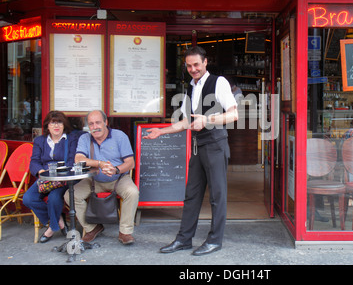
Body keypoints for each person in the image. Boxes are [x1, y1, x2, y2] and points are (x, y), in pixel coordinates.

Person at [143, 46, 238, 256]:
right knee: (192, 195)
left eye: (196, 64)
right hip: (198, 146)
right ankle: (184, 239)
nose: (193, 68)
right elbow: (188, 121)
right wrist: (162, 132)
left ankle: (215, 241)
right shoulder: (191, 86)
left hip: (215, 144)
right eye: (189, 65)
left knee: (217, 195)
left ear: (205, 62)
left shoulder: (218, 82)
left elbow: (233, 115)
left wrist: (208, 120)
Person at [64, 110, 138, 245]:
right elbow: (78, 159)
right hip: (93, 179)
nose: (95, 126)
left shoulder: (119, 136)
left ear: (105, 123)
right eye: (91, 124)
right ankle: (92, 228)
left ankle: (125, 232)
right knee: (70, 195)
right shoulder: (85, 138)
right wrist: (100, 164)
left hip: (118, 178)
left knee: (132, 192)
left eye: (98, 122)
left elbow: (130, 163)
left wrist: (116, 170)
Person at [23, 111, 78, 243]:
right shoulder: (40, 141)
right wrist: (41, 172)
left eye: (59, 122)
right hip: (45, 179)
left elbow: (71, 161)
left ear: (64, 125)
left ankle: (51, 228)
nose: (56, 126)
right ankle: (59, 220)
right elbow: (34, 161)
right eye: (52, 123)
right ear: (47, 126)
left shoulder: (71, 139)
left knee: (54, 198)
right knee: (28, 199)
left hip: (63, 179)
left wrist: (59, 174)